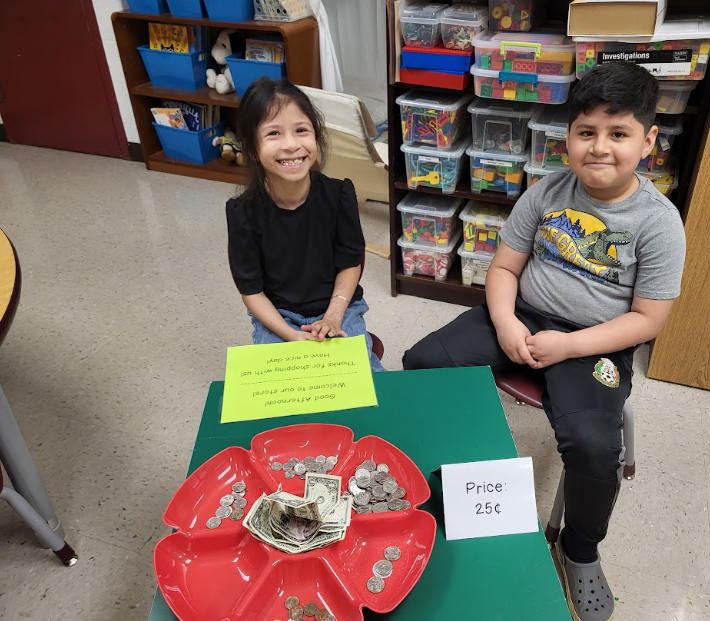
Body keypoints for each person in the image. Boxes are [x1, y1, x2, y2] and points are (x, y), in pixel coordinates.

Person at [403, 62, 686, 621]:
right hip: (524, 313)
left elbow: (648, 320)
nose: (599, 147)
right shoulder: (546, 191)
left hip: (596, 342)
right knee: (424, 362)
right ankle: (449, 487)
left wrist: (568, 347)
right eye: (587, 132)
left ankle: (580, 548)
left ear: (648, 141)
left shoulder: (659, 222)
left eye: (619, 133)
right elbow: (504, 270)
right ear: (568, 137)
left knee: (593, 444)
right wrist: (508, 324)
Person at [226, 78, 383, 372]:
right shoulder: (241, 212)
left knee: (362, 382)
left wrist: (334, 316)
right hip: (278, 317)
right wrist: (291, 335)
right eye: (273, 133)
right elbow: (251, 290)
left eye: (301, 130)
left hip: (339, 308)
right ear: (250, 146)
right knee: (283, 395)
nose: (291, 145)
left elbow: (350, 262)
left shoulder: (339, 195)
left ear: (316, 135)